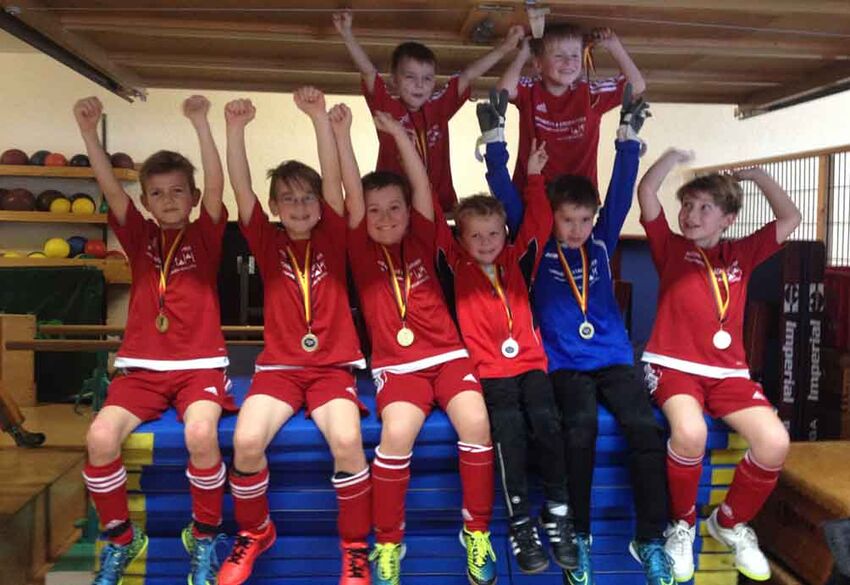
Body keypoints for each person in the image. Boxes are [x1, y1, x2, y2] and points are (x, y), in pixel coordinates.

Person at [484, 88, 672, 585]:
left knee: (645, 429)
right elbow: (507, 198)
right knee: (580, 430)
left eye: (585, 220)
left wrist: (628, 137)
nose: (577, 229)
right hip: (564, 363)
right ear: (552, 217)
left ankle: (651, 538)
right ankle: (580, 537)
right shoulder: (536, 243)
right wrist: (497, 143)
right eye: (568, 220)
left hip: (613, 357)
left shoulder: (602, 240)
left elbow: (621, 190)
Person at [74, 95, 235, 585]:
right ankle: (122, 538)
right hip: (142, 369)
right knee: (99, 437)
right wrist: (88, 132)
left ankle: (203, 537)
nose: (168, 200)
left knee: (201, 434)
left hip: (200, 366)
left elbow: (216, 183)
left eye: (178, 191)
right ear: (145, 201)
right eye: (158, 193)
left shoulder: (205, 235)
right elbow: (109, 185)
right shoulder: (140, 237)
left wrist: (201, 123)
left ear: (193, 197)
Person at [332, 108, 496, 585]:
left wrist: (402, 137)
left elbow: (422, 185)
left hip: (447, 355)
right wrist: (342, 134)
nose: (385, 218)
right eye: (375, 210)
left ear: (409, 211)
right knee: (396, 435)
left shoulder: (424, 235)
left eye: (395, 208)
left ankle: (477, 532)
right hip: (398, 366)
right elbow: (351, 191)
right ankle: (388, 541)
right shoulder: (359, 247)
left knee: (477, 422)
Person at [218, 89, 372, 585]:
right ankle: (254, 530)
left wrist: (318, 120)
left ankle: (354, 547)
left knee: (347, 440)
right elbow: (240, 187)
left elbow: (335, 181)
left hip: (331, 368)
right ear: (274, 206)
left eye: (308, 197)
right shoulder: (267, 241)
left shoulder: (333, 236)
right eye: (289, 198)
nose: (301, 206)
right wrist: (235, 130)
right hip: (280, 370)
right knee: (246, 441)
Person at [637, 151, 802, 582]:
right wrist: (671, 159)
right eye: (687, 206)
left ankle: (727, 522)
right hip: (672, 366)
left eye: (704, 208)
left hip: (728, 373)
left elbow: (791, 217)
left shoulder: (743, 252)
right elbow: (647, 191)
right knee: (690, 432)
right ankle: (682, 525)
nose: (691, 215)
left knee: (775, 442)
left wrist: (759, 175)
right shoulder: (671, 247)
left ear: (728, 219)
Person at [433, 136, 578, 575]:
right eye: (475, 235)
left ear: (505, 233)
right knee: (509, 431)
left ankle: (558, 513)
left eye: (493, 233)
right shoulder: (455, 266)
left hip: (531, 364)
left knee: (548, 423)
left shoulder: (519, 259)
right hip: (488, 371)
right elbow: (431, 221)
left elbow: (539, 219)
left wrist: (533, 175)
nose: (485, 242)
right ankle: (519, 523)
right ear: (460, 238)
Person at [333, 9, 524, 212]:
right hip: (397, 209)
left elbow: (468, 75)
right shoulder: (387, 109)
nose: (419, 85)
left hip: (441, 206)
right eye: (410, 77)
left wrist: (506, 47)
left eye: (427, 78)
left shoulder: (439, 106)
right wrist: (347, 34)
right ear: (394, 80)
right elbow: (368, 72)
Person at [497, 24, 645, 191]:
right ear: (538, 64)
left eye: (575, 55)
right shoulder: (530, 89)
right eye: (559, 56)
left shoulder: (590, 93)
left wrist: (614, 46)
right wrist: (523, 54)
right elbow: (503, 91)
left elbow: (637, 86)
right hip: (530, 192)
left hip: (579, 198)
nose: (569, 62)